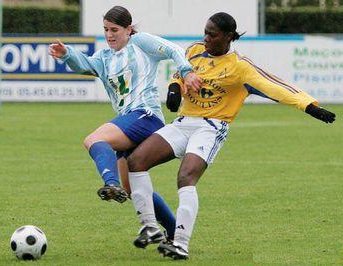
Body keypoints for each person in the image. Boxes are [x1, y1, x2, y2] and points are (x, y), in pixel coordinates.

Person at [127, 12, 336, 260]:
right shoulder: (194, 51)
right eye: (205, 32)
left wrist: (309, 106)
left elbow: (275, 86)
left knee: (185, 177)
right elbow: (180, 71)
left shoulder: (240, 67)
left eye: (212, 34)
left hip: (211, 128)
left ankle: (180, 244)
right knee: (136, 161)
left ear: (227, 37)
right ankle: (151, 227)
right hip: (183, 123)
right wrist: (175, 87)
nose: (206, 38)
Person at [48, 5, 202, 244]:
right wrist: (67, 54)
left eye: (115, 29)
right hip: (129, 120)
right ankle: (171, 232)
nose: (109, 34)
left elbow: (172, 49)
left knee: (93, 139)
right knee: (133, 188)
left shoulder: (140, 43)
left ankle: (110, 185)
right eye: (106, 29)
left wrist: (186, 71)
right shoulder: (104, 57)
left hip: (145, 115)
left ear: (129, 29)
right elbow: (84, 64)